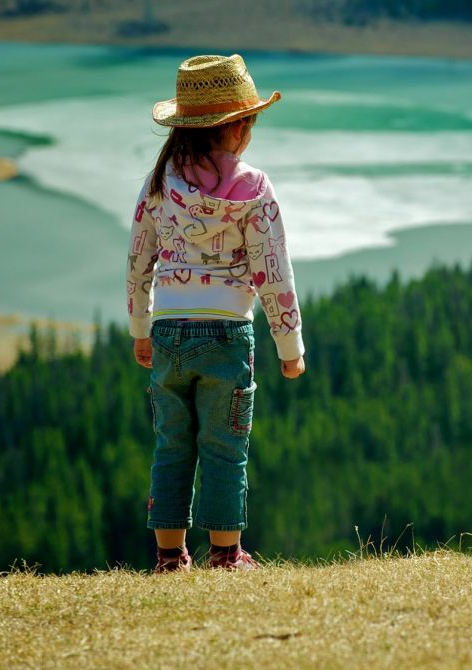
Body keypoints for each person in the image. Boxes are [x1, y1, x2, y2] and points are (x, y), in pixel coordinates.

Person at [126, 54, 305, 573]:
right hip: (228, 334)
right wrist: (290, 348)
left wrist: (141, 328)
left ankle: (167, 557)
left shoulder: (159, 184)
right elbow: (275, 274)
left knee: (172, 444)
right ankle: (226, 554)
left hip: (167, 333)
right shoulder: (255, 190)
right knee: (227, 445)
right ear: (242, 127)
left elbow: (139, 259)